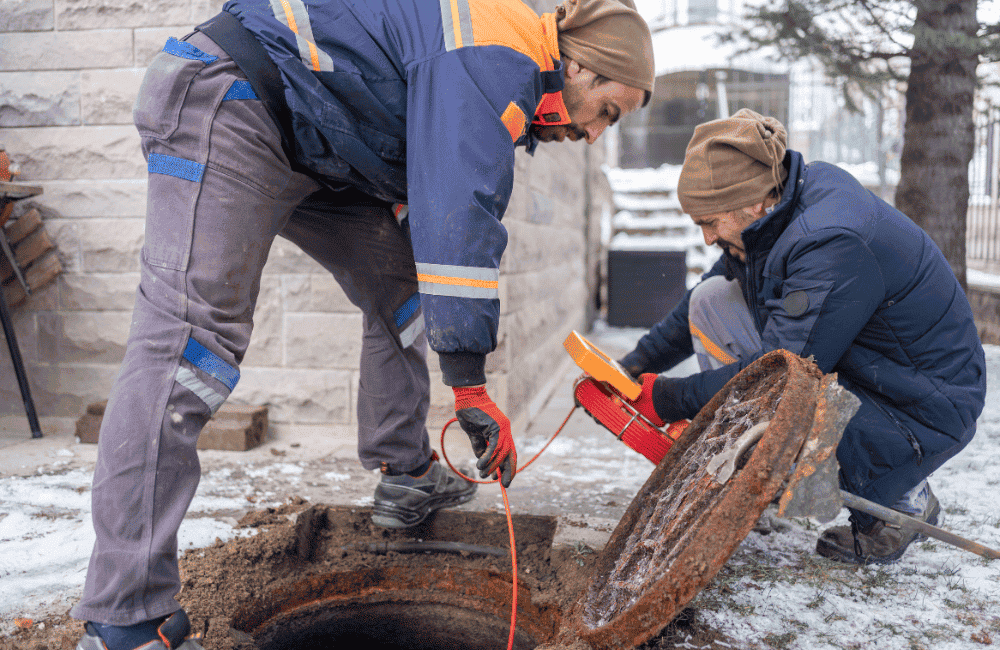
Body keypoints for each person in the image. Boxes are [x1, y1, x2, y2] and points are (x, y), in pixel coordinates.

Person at [70, 0, 655, 648]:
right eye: (608, 111)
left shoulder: (504, 62)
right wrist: (468, 388)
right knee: (189, 347)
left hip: (313, 140)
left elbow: (424, 175)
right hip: (233, 95)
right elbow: (460, 219)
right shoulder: (499, 54)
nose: (597, 133)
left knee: (399, 295)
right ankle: (124, 615)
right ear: (579, 66)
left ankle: (404, 475)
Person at [616, 108, 986, 566]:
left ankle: (899, 504)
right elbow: (715, 297)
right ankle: (752, 467)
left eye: (709, 222)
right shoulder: (776, 211)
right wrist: (634, 366)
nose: (709, 238)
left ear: (752, 202)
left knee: (785, 407)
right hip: (872, 368)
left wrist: (666, 398)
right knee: (712, 298)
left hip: (920, 407)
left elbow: (782, 373)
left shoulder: (830, 241)